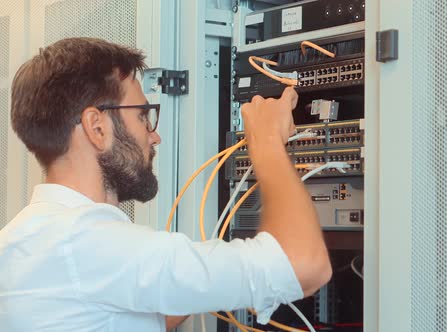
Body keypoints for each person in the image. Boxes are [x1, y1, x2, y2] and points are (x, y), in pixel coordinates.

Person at [0, 37, 331, 331]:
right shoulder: (94, 244)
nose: (154, 135)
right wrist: (268, 142)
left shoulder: (20, 241)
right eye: (143, 115)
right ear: (96, 128)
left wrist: (212, 281)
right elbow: (306, 265)